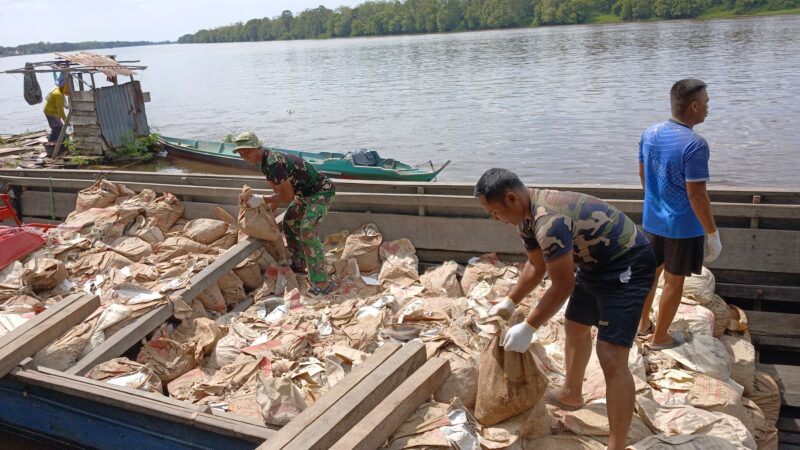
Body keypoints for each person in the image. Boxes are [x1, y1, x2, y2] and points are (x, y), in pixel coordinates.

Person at [477, 168, 655, 450]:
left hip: (627, 263)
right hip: (594, 263)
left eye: (494, 212)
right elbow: (536, 266)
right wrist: (509, 303)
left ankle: (617, 445)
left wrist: (529, 327)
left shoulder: (549, 221)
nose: (494, 218)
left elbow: (562, 286)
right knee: (575, 325)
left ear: (511, 198)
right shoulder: (525, 219)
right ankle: (572, 393)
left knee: (611, 355)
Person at [636, 79, 722, 350]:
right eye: (706, 103)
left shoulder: (649, 133)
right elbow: (697, 195)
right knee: (674, 281)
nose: (708, 108)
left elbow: (643, 176)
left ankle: (641, 326)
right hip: (682, 227)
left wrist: (655, 203)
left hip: (652, 220)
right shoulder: (695, 144)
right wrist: (712, 233)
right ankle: (660, 337)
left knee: (650, 274)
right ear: (694, 106)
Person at [232, 131, 336, 296]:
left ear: (258, 147)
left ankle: (322, 282)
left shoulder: (274, 163)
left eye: (247, 152)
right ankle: (300, 264)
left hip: (320, 193)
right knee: (289, 223)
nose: (245, 157)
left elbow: (287, 197)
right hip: (304, 194)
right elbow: (277, 195)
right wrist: (268, 218)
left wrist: (261, 199)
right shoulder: (265, 164)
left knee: (307, 230)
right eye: (241, 154)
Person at [43, 75, 69, 146]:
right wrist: (66, 121)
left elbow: (61, 107)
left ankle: (56, 141)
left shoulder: (58, 89)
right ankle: (50, 142)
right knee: (57, 127)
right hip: (50, 112)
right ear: (63, 86)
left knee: (58, 126)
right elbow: (60, 110)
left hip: (52, 111)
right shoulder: (58, 94)